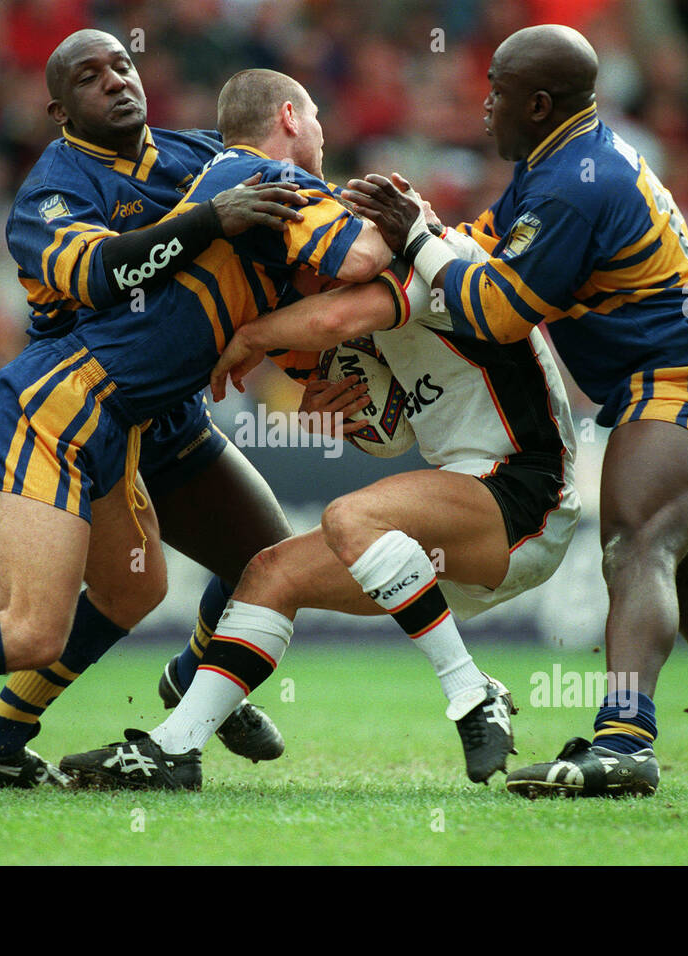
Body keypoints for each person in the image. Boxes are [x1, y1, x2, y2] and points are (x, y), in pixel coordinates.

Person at [0, 60, 388, 794]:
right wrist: (418, 241)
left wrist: (312, 366)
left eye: (124, 64)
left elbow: (259, 284)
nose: (119, 81)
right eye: (92, 77)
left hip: (151, 412)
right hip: (70, 399)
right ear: (61, 109)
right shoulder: (54, 192)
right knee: (8, 618)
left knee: (179, 579)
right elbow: (98, 276)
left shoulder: (199, 156)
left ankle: (133, 702)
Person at [343, 24, 688, 798]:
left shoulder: (575, 181)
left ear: (539, 104)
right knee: (668, 568)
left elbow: (498, 310)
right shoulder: (562, 157)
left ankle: (624, 744)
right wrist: (423, 235)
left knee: (634, 549)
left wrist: (414, 237)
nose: (484, 109)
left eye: (498, 93)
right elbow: (487, 249)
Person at [60, 219, 580, 790]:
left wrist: (251, 338)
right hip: (466, 508)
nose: (304, 279)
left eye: (307, 260)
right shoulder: (373, 308)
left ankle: (470, 690)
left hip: (528, 491)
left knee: (349, 518)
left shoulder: (429, 259)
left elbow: (332, 319)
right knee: (268, 573)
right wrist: (345, 419)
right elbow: (401, 432)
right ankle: (174, 748)